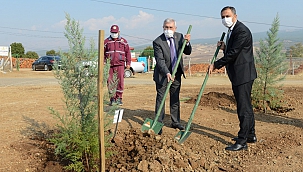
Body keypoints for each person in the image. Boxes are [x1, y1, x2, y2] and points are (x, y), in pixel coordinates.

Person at [208, 6, 257, 151]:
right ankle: (251, 135)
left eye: (227, 16)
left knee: (243, 108)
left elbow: (234, 53)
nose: (225, 19)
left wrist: (216, 64)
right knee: (246, 105)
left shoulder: (241, 30)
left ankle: (242, 141)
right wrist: (224, 47)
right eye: (222, 17)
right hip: (240, 73)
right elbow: (234, 49)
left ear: (235, 15)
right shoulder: (233, 30)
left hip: (243, 74)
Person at [153, 18, 192, 133]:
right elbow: (160, 61)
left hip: (177, 73)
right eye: (166, 27)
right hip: (162, 74)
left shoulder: (180, 37)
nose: (168, 29)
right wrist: (167, 72)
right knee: (161, 98)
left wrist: (188, 42)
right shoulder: (158, 41)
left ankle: (176, 122)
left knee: (175, 98)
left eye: (170, 27)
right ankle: (158, 123)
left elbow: (188, 51)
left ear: (175, 28)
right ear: (163, 27)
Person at [104, 24, 131, 106]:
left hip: (120, 65)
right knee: (110, 81)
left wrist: (128, 63)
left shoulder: (123, 41)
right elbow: (102, 53)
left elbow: (128, 53)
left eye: (115, 32)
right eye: (112, 32)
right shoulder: (106, 42)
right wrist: (103, 62)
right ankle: (112, 98)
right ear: (110, 32)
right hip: (109, 65)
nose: (114, 34)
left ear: (119, 32)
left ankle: (119, 98)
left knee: (120, 81)